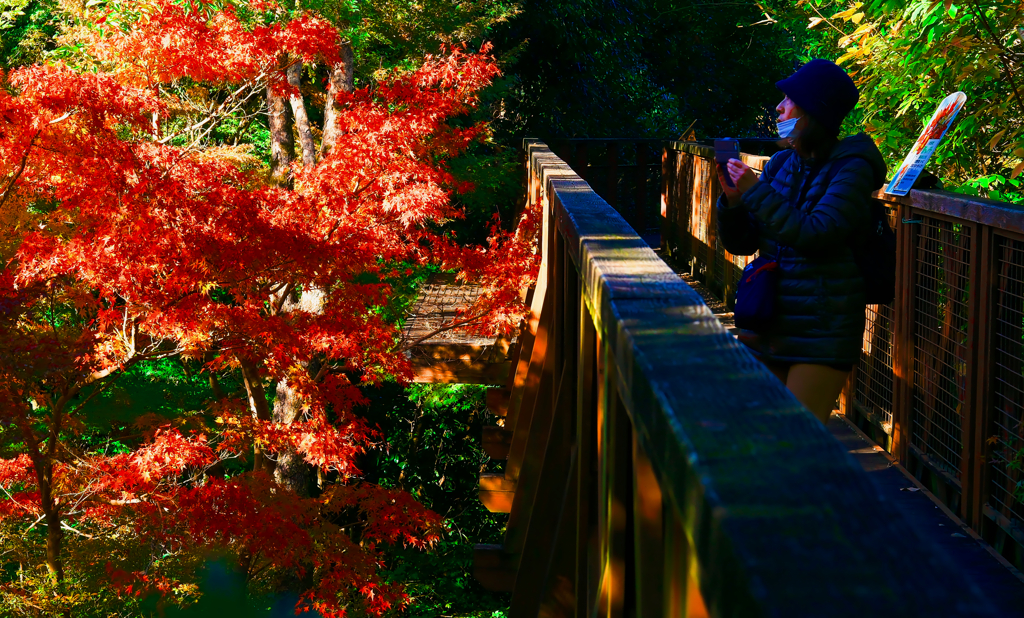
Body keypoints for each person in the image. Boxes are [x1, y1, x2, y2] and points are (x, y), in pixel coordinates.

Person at [715, 59, 887, 424]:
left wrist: (755, 191)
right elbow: (744, 244)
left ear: (814, 110)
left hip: (820, 334)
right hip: (768, 323)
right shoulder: (780, 164)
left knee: (794, 441)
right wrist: (732, 202)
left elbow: (816, 233)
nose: (778, 107)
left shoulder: (852, 168)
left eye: (789, 99)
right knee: (760, 435)